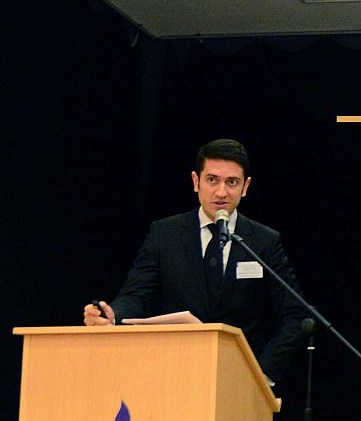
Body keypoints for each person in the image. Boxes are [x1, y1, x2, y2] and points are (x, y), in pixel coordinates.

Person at [83, 138, 307, 385]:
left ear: (246, 186)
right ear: (195, 181)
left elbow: (296, 313)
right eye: (212, 180)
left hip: (239, 379)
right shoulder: (165, 235)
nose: (221, 192)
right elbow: (136, 296)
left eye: (232, 182)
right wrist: (113, 315)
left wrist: (261, 374)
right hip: (172, 373)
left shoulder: (263, 241)